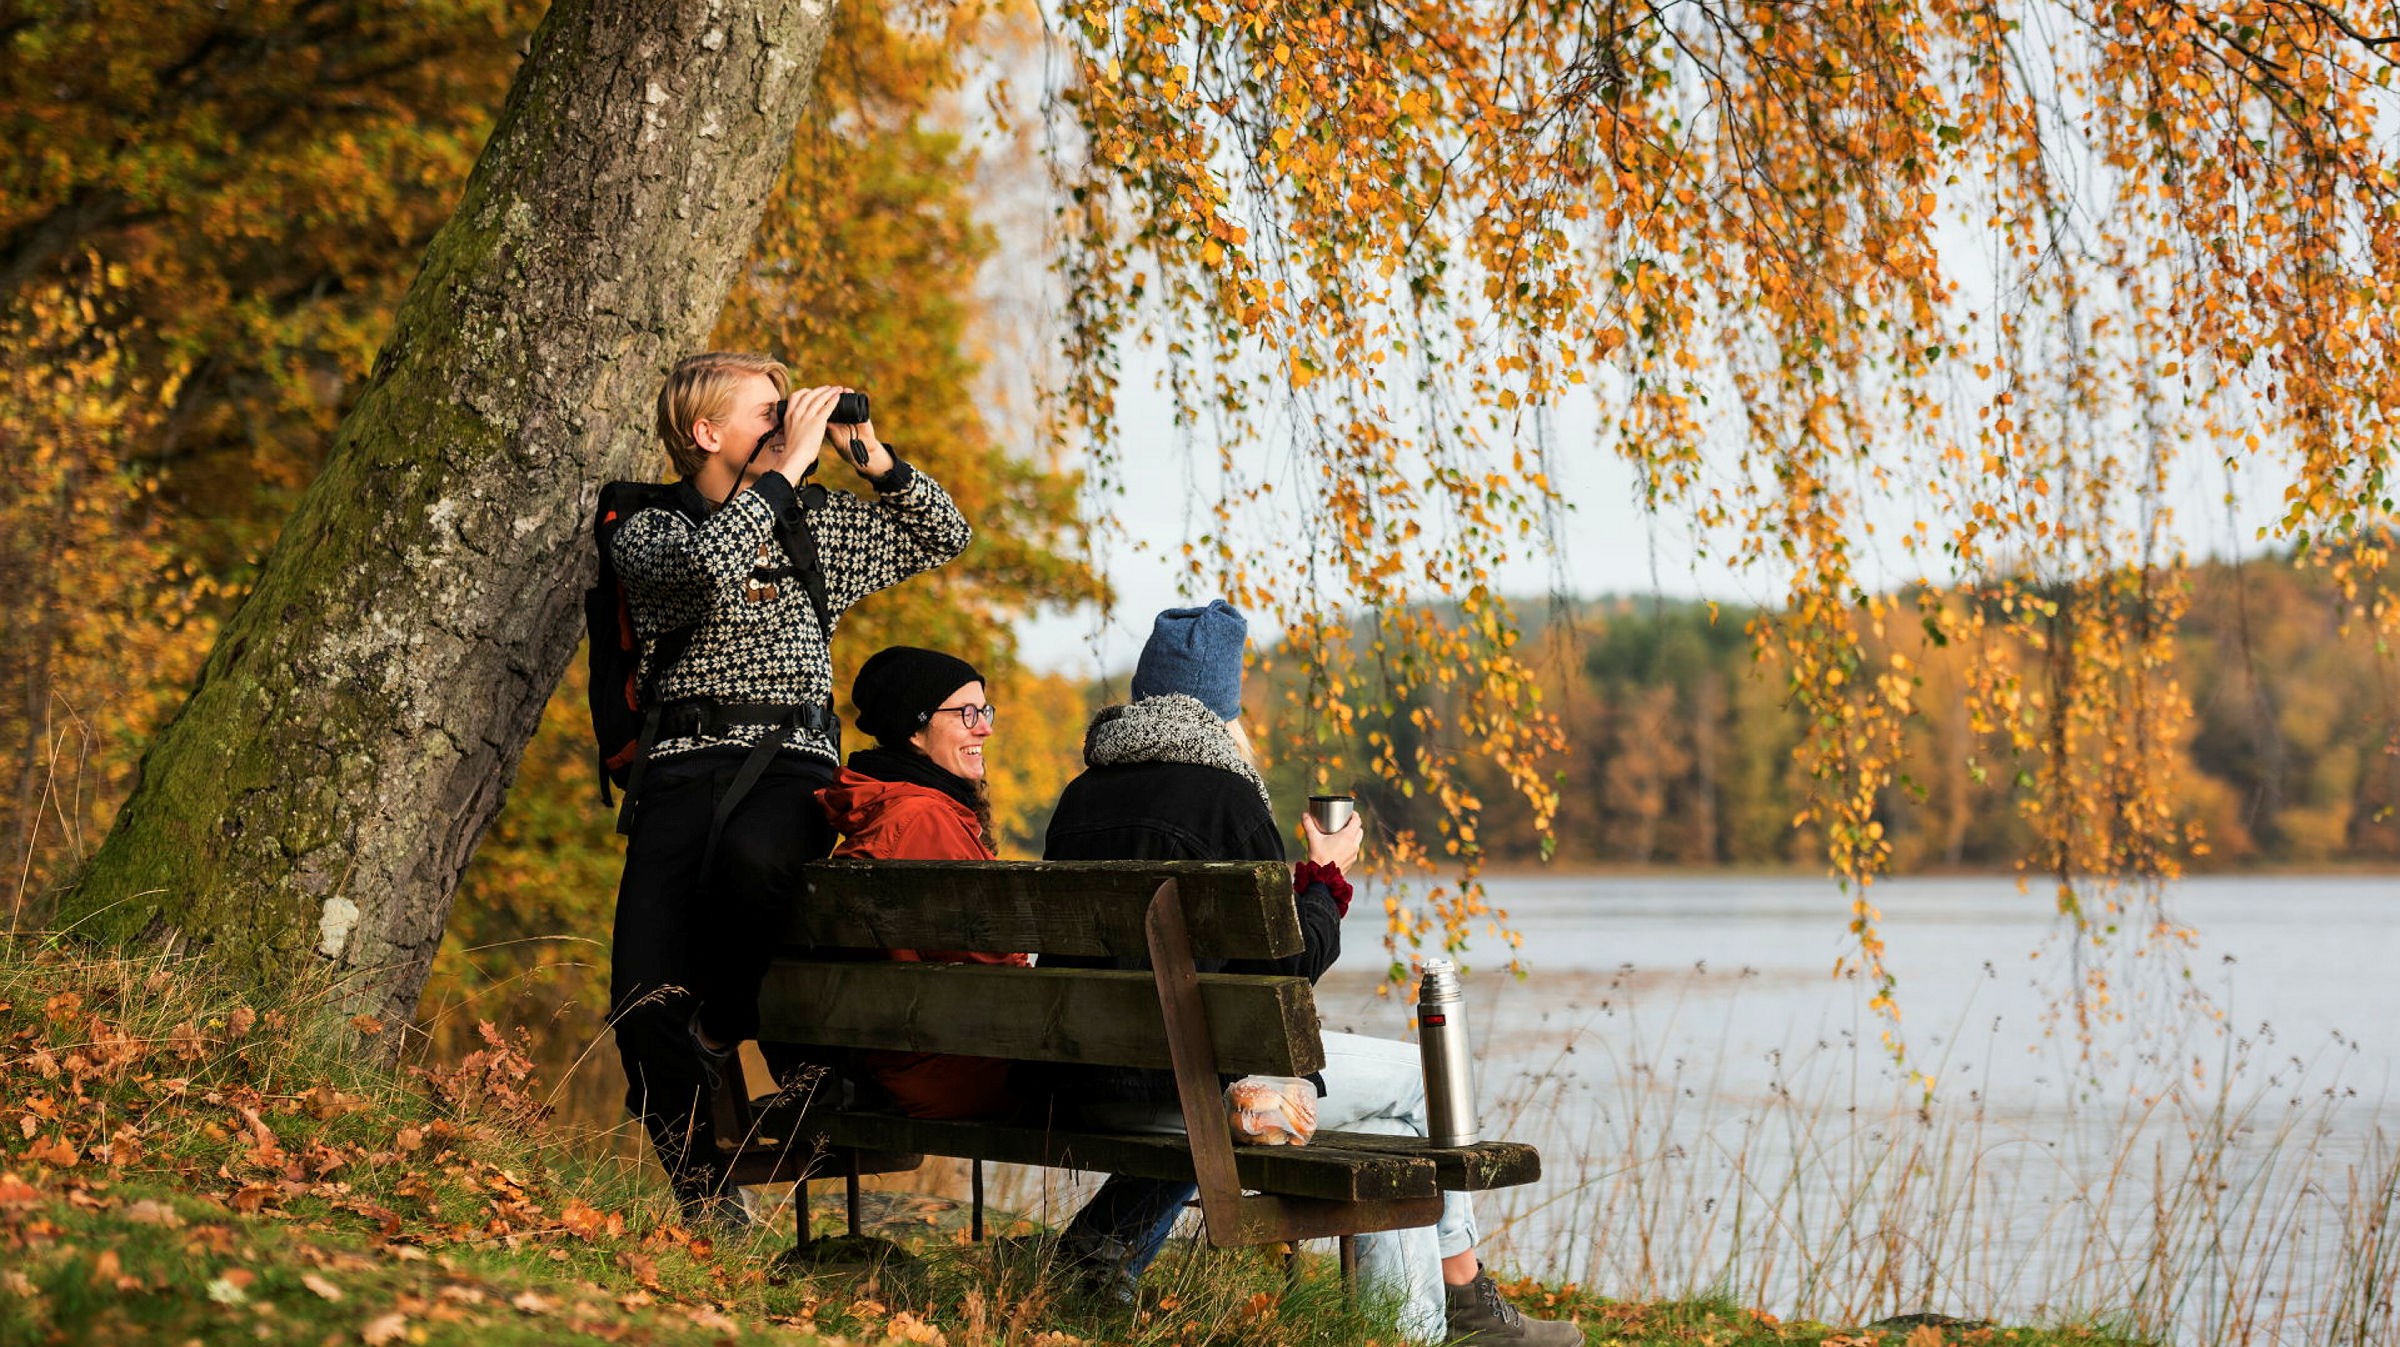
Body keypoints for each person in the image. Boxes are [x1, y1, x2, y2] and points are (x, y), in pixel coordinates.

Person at [1040, 600, 1576, 1346]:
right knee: (1421, 1079)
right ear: (1223, 706)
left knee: (1387, 1130)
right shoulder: (1226, 797)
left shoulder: (1080, 797)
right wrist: (1326, 876)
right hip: (1190, 1090)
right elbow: (1287, 968)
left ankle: (1411, 1331)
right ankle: (1464, 1293)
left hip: (1086, 1084)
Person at [608, 352, 971, 1229]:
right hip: (678, 768)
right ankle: (705, 1198)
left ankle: (722, 1022)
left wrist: (871, 458)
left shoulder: (814, 525)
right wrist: (781, 471)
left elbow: (945, 535)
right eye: (766, 412)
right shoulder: (647, 528)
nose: (786, 424)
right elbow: (708, 567)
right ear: (705, 432)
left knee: (755, 859)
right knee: (639, 1001)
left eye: (786, 411)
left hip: (789, 761)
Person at [816, 645, 1027, 1119]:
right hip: (954, 1069)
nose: (985, 727)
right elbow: (989, 963)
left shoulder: (891, 809)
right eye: (966, 713)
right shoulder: (922, 819)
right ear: (914, 729)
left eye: (985, 711)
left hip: (911, 1060)